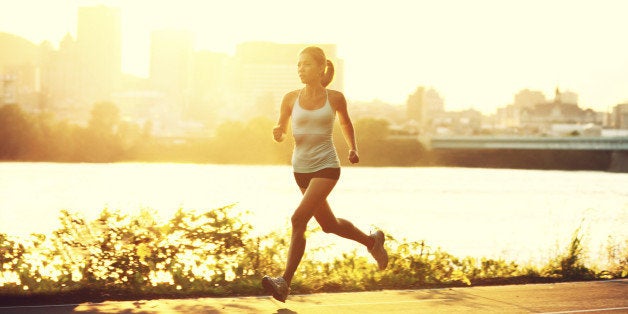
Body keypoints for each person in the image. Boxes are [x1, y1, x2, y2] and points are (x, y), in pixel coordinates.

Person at [262, 46, 388, 303]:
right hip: (301, 170)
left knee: (298, 219)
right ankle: (371, 242)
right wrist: (278, 132)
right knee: (328, 226)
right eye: (298, 65)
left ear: (321, 68)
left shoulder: (335, 98)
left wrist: (353, 148)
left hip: (326, 167)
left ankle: (284, 282)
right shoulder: (289, 98)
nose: (300, 69)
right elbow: (282, 127)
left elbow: (345, 122)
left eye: (306, 64)